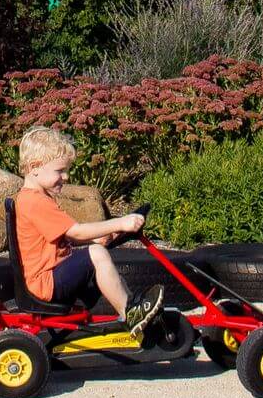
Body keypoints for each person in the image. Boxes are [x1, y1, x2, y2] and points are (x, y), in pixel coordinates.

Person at [14, 126, 160, 330]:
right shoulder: (35, 202)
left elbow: (63, 236)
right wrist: (120, 222)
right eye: (60, 171)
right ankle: (130, 314)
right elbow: (76, 231)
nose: (65, 177)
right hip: (46, 284)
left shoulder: (35, 197)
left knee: (98, 253)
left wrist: (96, 239)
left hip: (50, 277)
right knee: (97, 255)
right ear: (35, 167)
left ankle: (131, 304)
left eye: (66, 170)